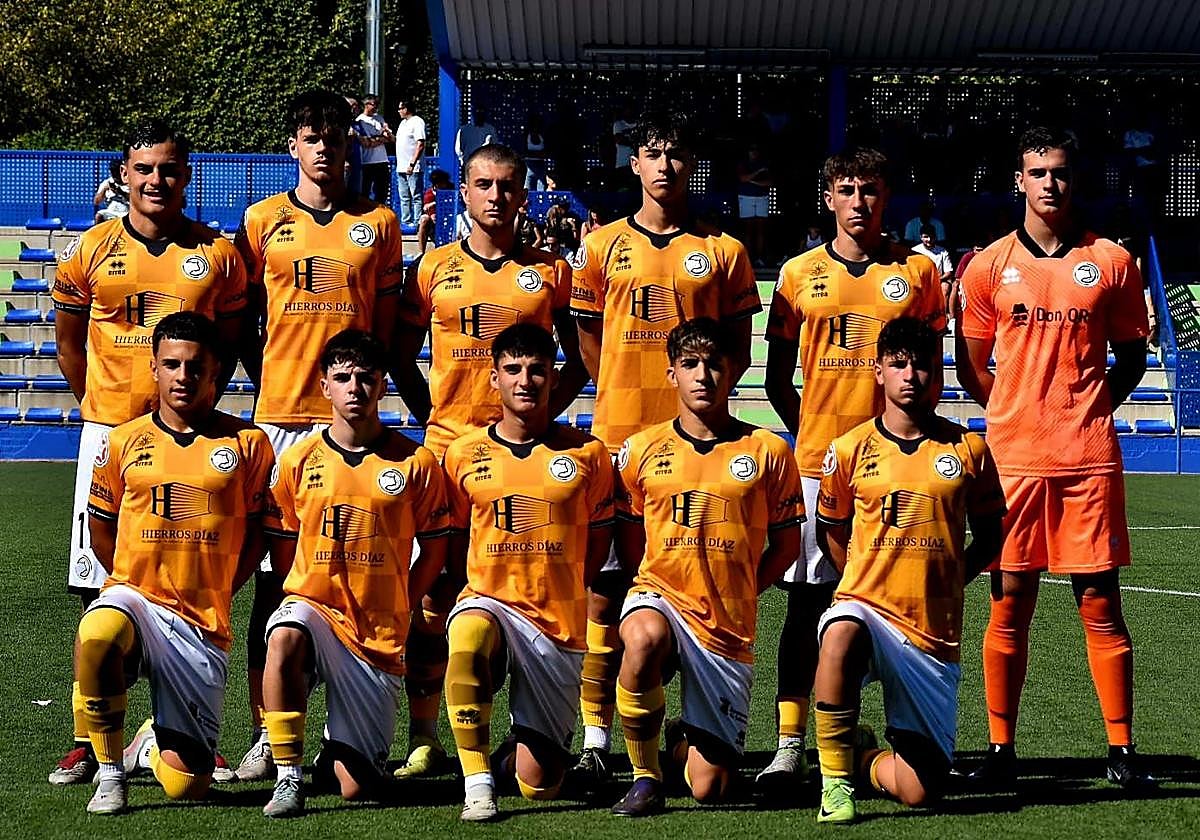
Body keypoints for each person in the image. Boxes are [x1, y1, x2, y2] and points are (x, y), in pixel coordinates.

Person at [49, 120, 248, 787]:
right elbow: (70, 343)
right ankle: (88, 735)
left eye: (168, 169)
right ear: (124, 174)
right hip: (110, 435)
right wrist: (101, 409)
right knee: (96, 588)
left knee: (195, 575)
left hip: (192, 442)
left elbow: (227, 344)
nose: (156, 181)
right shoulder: (90, 250)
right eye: (143, 169)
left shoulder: (217, 255)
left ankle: (182, 727)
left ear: (186, 176)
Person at [956, 126, 1154, 789]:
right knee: (1009, 606)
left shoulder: (1114, 263)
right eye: (1038, 172)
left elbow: (1129, 358)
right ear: (1020, 181)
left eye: (1061, 172)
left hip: (1088, 459)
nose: (1050, 183)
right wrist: (1014, 408)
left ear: (1075, 180)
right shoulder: (985, 266)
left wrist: (1085, 405)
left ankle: (1123, 753)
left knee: (1100, 603)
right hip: (1012, 462)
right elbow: (972, 362)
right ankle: (1001, 752)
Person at [569, 111, 761, 785]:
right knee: (606, 589)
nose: (665, 166)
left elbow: (735, 349)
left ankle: (696, 724)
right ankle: (597, 735)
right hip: (619, 441)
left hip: (700, 450)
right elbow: (588, 339)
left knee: (698, 578)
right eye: (653, 154)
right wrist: (616, 391)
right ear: (635, 164)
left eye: (677, 155)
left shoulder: (725, 251)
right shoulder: (601, 248)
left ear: (691, 165)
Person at [392, 141, 588, 779]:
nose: (495, 195)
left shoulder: (550, 273)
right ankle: (427, 735)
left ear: (522, 192)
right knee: (435, 595)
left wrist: (545, 416)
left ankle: (542, 727)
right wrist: (430, 416)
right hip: (449, 452)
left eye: (507, 185)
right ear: (466, 193)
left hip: (528, 454)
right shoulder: (431, 269)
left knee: (534, 582)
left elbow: (579, 356)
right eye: (483, 184)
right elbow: (399, 352)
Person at [231, 89, 403, 783]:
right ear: (293, 147)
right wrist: (275, 378)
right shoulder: (260, 220)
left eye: (336, 137)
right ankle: (267, 737)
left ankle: (356, 726)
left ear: (352, 146)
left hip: (356, 424)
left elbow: (386, 328)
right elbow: (243, 322)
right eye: (312, 136)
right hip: (281, 421)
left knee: (359, 571)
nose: (325, 147)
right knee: (276, 585)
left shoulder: (381, 224)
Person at [761, 146, 945, 793]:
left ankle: (853, 739)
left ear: (885, 195)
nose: (859, 200)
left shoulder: (918, 275)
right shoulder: (797, 274)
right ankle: (788, 745)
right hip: (817, 468)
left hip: (895, 474)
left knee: (879, 606)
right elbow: (781, 378)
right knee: (806, 605)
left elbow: (931, 372)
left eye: (870, 188)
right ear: (829, 197)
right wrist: (816, 432)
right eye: (847, 188)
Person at [73, 311, 274, 814]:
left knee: (189, 787)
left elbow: (258, 535)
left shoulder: (248, 444)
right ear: (154, 368)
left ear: (216, 371)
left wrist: (226, 582)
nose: (183, 376)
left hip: (202, 622)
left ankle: (147, 745)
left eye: (195, 366)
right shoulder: (121, 441)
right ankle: (111, 772)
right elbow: (101, 527)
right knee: (98, 632)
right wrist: (126, 582)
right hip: (136, 599)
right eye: (172, 364)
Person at [811, 316, 1005, 824]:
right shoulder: (849, 449)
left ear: (937, 374)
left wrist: (949, 579)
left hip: (931, 633)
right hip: (867, 607)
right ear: (878, 372)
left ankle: (863, 758)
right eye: (898, 365)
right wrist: (859, 581)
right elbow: (832, 530)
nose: (910, 375)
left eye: (922, 365)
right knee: (840, 634)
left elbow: (989, 534)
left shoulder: (970, 449)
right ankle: (834, 786)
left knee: (922, 792)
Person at [610, 317, 804, 816]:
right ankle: (645, 776)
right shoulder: (640, 450)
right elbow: (632, 539)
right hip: (660, 598)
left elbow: (784, 547)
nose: (704, 376)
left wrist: (743, 588)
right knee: (644, 638)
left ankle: (679, 743)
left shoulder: (769, 451)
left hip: (725, 626)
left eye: (715, 364)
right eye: (691, 364)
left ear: (734, 371)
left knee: (711, 788)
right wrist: (652, 586)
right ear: (671, 373)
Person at [259, 329, 449, 817]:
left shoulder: (417, 463)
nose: (354, 388)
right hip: (318, 612)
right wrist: (301, 593)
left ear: (383, 385)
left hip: (377, 632)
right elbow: (283, 543)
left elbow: (434, 546)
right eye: (342, 378)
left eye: (365, 378)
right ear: (324, 386)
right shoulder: (299, 460)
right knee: (283, 634)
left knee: (355, 788)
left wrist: (407, 599)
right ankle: (286, 775)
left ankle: (337, 745)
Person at [441, 323, 615, 821]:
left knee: (539, 785)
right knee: (469, 636)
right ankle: (477, 783)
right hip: (489, 601)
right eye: (513, 370)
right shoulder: (462, 455)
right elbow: (455, 540)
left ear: (553, 377)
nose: (525, 381)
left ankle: (518, 748)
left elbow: (597, 543)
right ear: (493, 378)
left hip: (555, 625)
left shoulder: (588, 454)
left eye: (537, 370)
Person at [736, 143, 773, 266]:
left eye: (756, 150)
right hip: (746, 197)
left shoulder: (765, 163)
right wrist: (758, 173)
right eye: (751, 150)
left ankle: (759, 258)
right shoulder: (743, 164)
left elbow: (769, 182)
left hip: (762, 197)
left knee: (760, 230)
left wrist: (751, 181)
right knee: (748, 229)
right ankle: (748, 257)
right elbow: (742, 178)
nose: (754, 152)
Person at [356, 95, 394, 206]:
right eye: (374, 104)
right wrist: (381, 138)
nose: (376, 107)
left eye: (378, 104)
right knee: (365, 191)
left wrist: (380, 137)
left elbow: (390, 138)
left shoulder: (379, 118)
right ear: (366, 105)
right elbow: (368, 143)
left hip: (382, 161)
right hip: (367, 162)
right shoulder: (360, 121)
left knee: (382, 192)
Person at [394, 99, 426, 227]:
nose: (399, 111)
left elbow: (420, 143)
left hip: (413, 166)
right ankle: (406, 221)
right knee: (404, 196)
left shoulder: (417, 122)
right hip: (401, 165)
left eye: (400, 108)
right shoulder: (402, 123)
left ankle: (418, 221)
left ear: (407, 109)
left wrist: (412, 163)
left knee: (416, 195)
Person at [911, 223, 954, 304]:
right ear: (921, 237)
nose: (929, 239)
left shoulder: (943, 251)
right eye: (926, 237)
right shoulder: (914, 251)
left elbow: (949, 272)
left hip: (938, 281)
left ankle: (943, 313)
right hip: (920, 282)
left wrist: (937, 280)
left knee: (945, 286)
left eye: (931, 237)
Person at [417, 169, 452, 253]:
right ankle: (421, 252)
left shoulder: (451, 190)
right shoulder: (429, 194)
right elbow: (427, 210)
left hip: (448, 219)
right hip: (433, 223)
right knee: (424, 219)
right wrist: (432, 212)